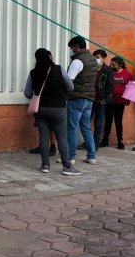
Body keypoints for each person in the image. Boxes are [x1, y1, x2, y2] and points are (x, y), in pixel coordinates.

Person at [24, 48, 81, 176]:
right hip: (58, 109)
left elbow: (27, 93)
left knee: (43, 136)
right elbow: (71, 87)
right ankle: (67, 167)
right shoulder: (59, 69)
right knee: (62, 137)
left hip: (41, 109)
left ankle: (45, 165)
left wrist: (37, 96)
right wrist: (61, 94)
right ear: (50, 57)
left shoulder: (33, 72)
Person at [60, 36, 98, 166]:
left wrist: (64, 93)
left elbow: (69, 81)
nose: (72, 50)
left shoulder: (77, 61)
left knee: (72, 128)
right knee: (86, 127)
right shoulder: (93, 59)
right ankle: (92, 156)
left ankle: (70, 157)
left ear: (77, 46)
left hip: (77, 97)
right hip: (89, 98)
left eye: (72, 48)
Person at [99, 57, 133, 150]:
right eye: (111, 65)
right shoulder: (109, 73)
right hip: (108, 100)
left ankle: (120, 141)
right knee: (108, 121)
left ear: (120, 65)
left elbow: (131, 87)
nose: (112, 67)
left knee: (118, 121)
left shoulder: (127, 74)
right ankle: (105, 140)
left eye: (114, 65)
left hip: (120, 101)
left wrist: (128, 98)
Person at [30, 50, 57, 156]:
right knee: (50, 128)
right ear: (49, 57)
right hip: (54, 105)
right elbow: (69, 86)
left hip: (40, 104)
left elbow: (28, 91)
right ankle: (50, 147)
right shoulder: (57, 70)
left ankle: (48, 146)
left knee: (44, 127)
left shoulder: (35, 72)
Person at [91, 49, 115, 149]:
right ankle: (88, 141)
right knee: (85, 121)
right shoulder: (90, 69)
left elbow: (110, 87)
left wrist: (99, 96)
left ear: (104, 59)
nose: (96, 60)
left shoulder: (108, 71)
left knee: (98, 123)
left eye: (98, 58)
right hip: (90, 99)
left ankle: (95, 143)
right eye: (94, 58)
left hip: (102, 101)